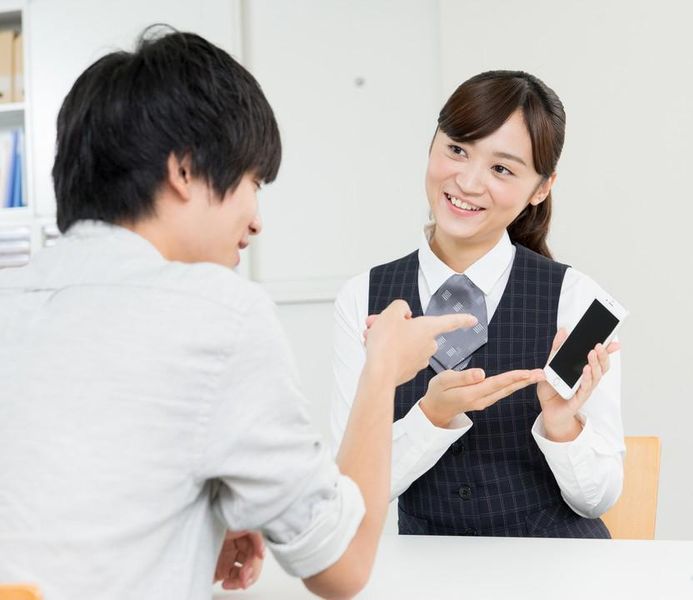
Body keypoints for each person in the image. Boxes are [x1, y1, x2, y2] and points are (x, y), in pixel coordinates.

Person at [0, 28, 475, 600]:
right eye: (252, 182)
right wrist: (383, 371)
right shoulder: (216, 314)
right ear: (184, 170)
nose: (256, 220)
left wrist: (199, 518)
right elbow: (342, 567)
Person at [331, 70, 625, 538]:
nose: (467, 182)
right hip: (428, 570)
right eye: (457, 149)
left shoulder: (580, 303)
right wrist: (430, 418)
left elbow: (599, 497)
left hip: (556, 567)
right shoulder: (363, 299)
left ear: (541, 187)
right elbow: (349, 492)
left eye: (502, 169)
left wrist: (562, 425)